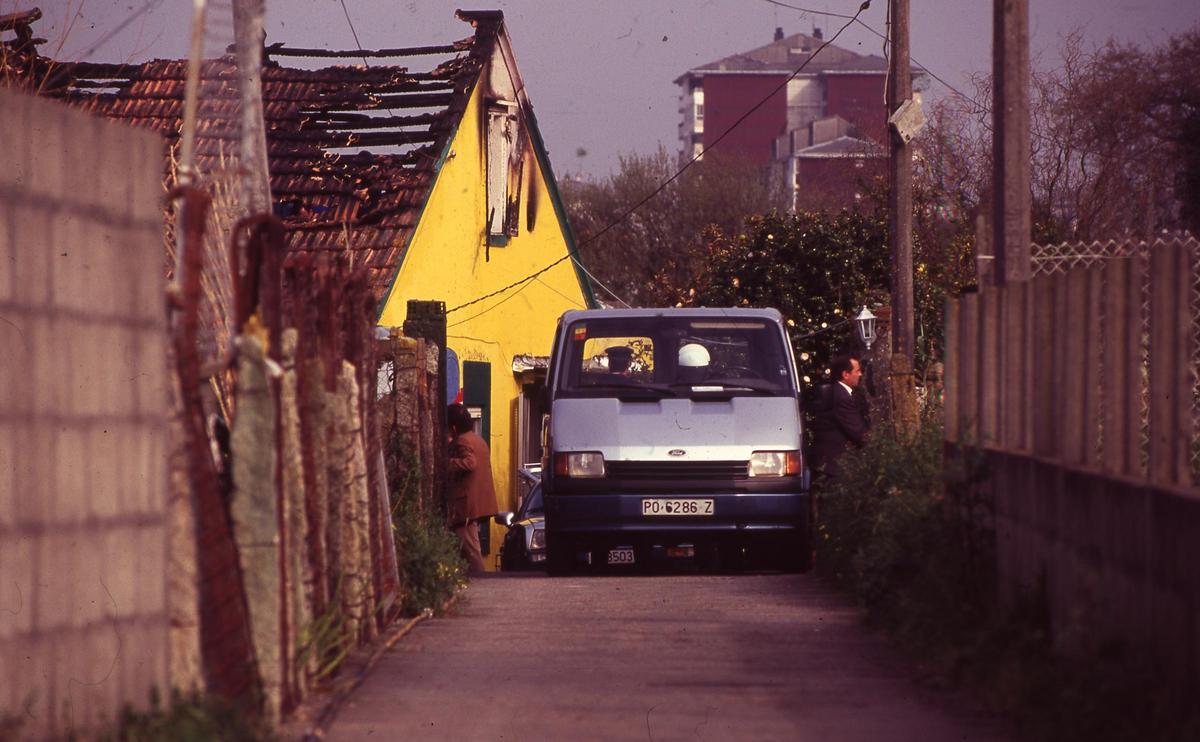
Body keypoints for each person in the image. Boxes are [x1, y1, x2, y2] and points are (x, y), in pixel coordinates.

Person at [446, 403, 499, 575]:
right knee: (465, 548)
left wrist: (447, 463)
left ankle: (482, 581)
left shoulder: (462, 441)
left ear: (453, 427)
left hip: (466, 505)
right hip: (477, 504)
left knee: (471, 550)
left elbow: (470, 463)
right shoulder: (478, 439)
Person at [810, 354, 868, 479]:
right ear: (845, 375)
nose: (860, 374)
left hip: (826, 462)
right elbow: (858, 431)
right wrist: (880, 446)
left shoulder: (836, 391)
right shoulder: (842, 397)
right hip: (832, 465)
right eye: (857, 371)